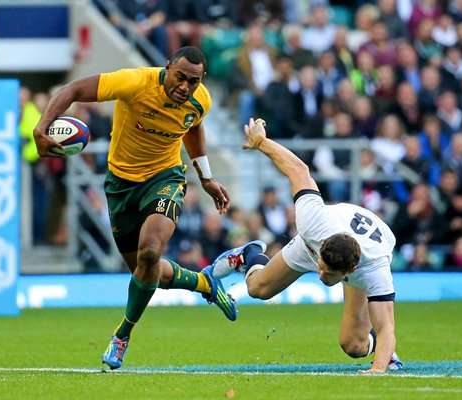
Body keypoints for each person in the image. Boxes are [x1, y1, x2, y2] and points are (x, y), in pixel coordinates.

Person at [33, 47, 234, 370]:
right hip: (121, 185)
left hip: (165, 178)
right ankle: (205, 283)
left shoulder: (201, 100)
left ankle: (122, 335)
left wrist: (205, 177)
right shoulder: (135, 83)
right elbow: (72, 90)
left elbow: (193, 126)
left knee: (151, 251)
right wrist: (42, 127)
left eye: (193, 82)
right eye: (180, 77)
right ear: (167, 68)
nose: (184, 87)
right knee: (145, 271)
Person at [210, 117, 403, 374]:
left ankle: (386, 356)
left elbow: (387, 327)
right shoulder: (313, 223)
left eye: (328, 274)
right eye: (321, 267)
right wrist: (262, 142)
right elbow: (299, 170)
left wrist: (377, 370)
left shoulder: (374, 271)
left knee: (353, 345)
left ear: (349, 270)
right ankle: (250, 253)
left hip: (368, 246)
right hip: (319, 238)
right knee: (257, 289)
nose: (320, 275)